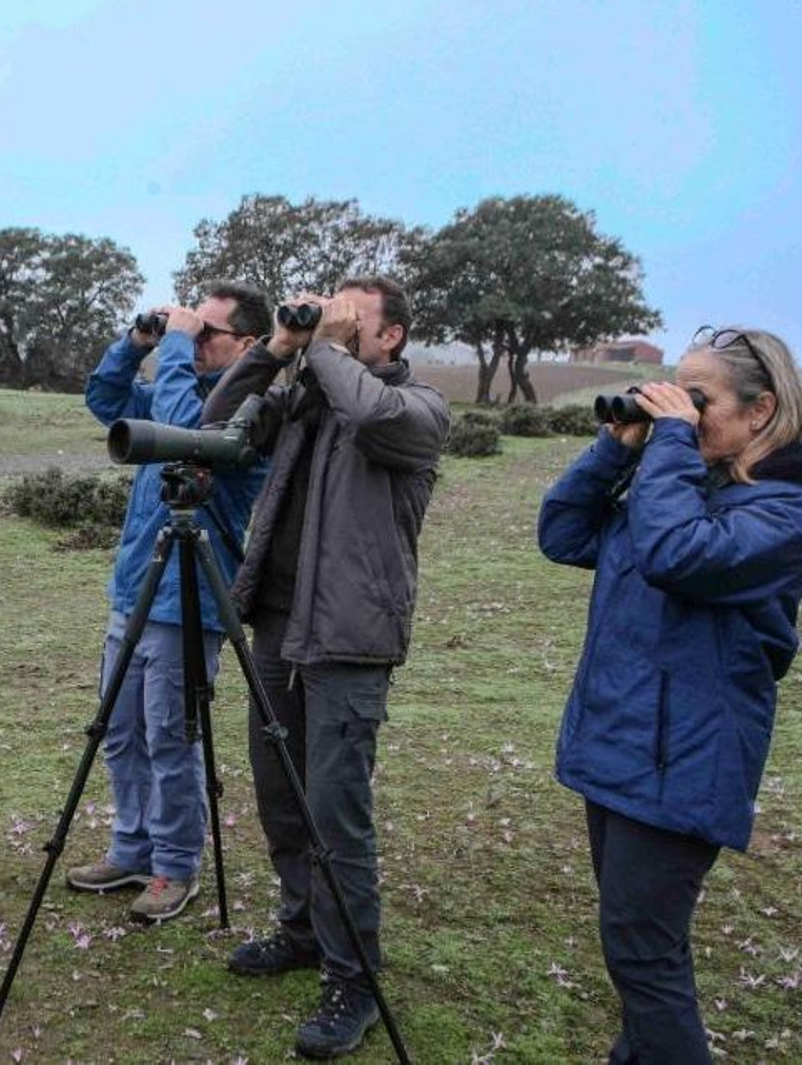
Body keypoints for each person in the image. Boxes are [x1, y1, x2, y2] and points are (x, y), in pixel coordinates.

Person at [537, 326, 802, 1064]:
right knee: (639, 946)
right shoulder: (687, 488)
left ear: (760, 412)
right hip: (624, 742)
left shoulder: (789, 511)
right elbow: (563, 534)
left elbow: (676, 555)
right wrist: (615, 449)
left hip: (684, 757)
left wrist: (668, 443)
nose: (679, 411)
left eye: (698, 399)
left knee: (643, 954)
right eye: (675, 393)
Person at [203, 276, 450, 1060]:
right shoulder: (307, 393)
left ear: (392, 336)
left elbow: (371, 415)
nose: (332, 326)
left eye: (351, 318)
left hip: (349, 636)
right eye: (328, 314)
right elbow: (216, 429)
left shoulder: (418, 408)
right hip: (279, 626)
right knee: (281, 795)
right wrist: (275, 350)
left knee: (335, 813)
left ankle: (354, 978)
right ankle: (303, 931)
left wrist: (327, 350)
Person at [66, 281, 273, 923]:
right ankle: (131, 848)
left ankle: (175, 865)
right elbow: (105, 401)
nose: (194, 340)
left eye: (208, 332)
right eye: (192, 328)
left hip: (187, 603)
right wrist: (136, 343)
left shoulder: (250, 414)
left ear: (249, 345)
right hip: (134, 589)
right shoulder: (174, 385)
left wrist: (177, 345)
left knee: (169, 738)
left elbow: (188, 431)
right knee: (121, 733)